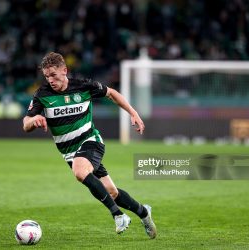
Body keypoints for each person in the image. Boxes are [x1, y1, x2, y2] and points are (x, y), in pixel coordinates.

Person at [23, 52, 157, 238]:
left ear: (65, 70)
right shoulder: (42, 94)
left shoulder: (83, 86)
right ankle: (144, 213)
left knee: (79, 171)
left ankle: (118, 216)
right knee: (111, 192)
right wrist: (34, 119)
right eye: (47, 76)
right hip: (69, 152)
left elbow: (112, 93)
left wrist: (133, 113)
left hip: (91, 141)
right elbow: (26, 123)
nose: (50, 80)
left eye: (53, 75)